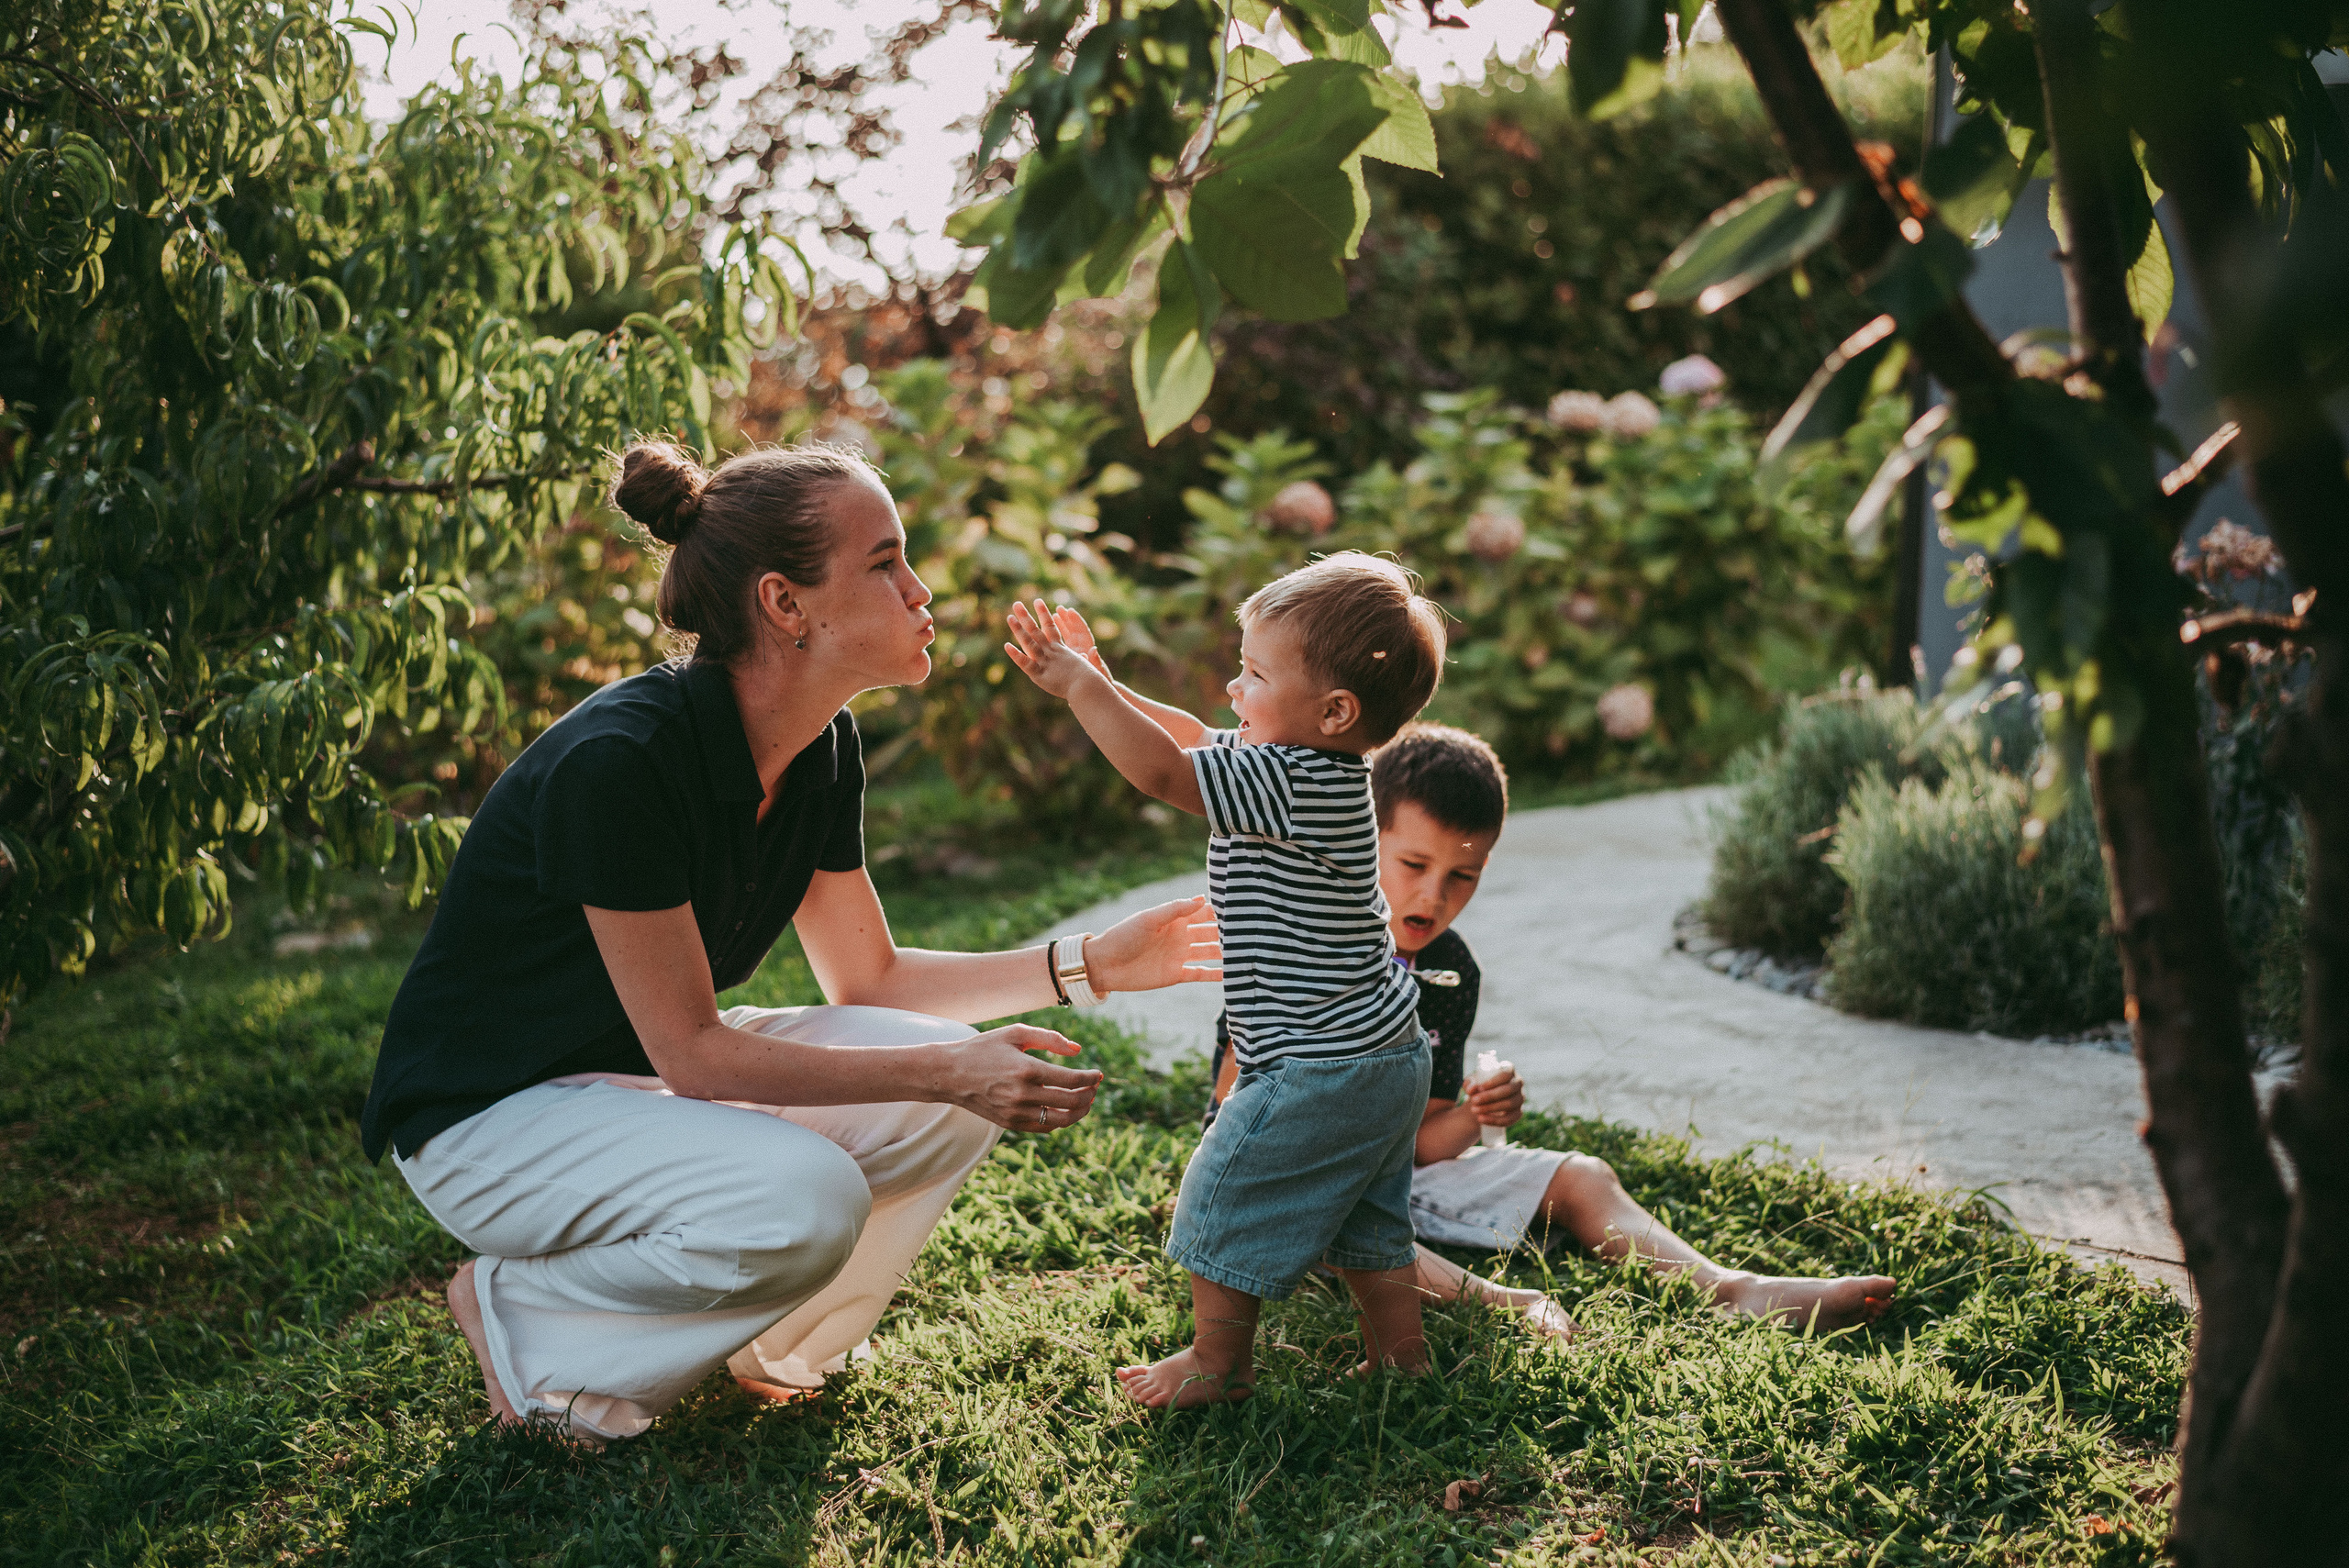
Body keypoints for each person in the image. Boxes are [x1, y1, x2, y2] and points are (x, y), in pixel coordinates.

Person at [361, 439, 1219, 1445]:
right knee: (813, 1188)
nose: (918, 586)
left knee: (930, 1105)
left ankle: (773, 1344)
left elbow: (870, 976)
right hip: (489, 1125)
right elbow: (693, 1051)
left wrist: (1091, 965)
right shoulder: (621, 765)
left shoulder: (821, 746)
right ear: (785, 603)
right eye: (884, 562)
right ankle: (525, 1319)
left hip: (625, 1089)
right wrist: (951, 1066)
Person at [1207, 723, 1898, 1333]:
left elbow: (1424, 1144)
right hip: (1298, 1171)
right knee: (1339, 1213)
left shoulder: (1451, 969)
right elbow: (1231, 1114)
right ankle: (1504, 1302)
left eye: (1463, 875)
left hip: (1398, 1175)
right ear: (1364, 840)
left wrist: (1474, 1118)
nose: (1433, 895)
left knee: (1583, 1174)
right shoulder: (1303, 942)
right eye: (1413, 864)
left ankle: (1732, 1289)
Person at [1004, 554, 1447, 1409]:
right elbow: (1186, 734)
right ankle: (1403, 1358)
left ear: (1334, 710)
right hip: (1383, 1055)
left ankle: (1219, 1364)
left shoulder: (1287, 779)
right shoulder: (1311, 767)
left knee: (1221, 1188)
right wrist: (1106, 681)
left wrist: (1081, 694)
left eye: (1253, 674)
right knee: (1369, 1222)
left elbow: (1164, 771)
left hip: (1321, 1063)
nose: (1233, 691)